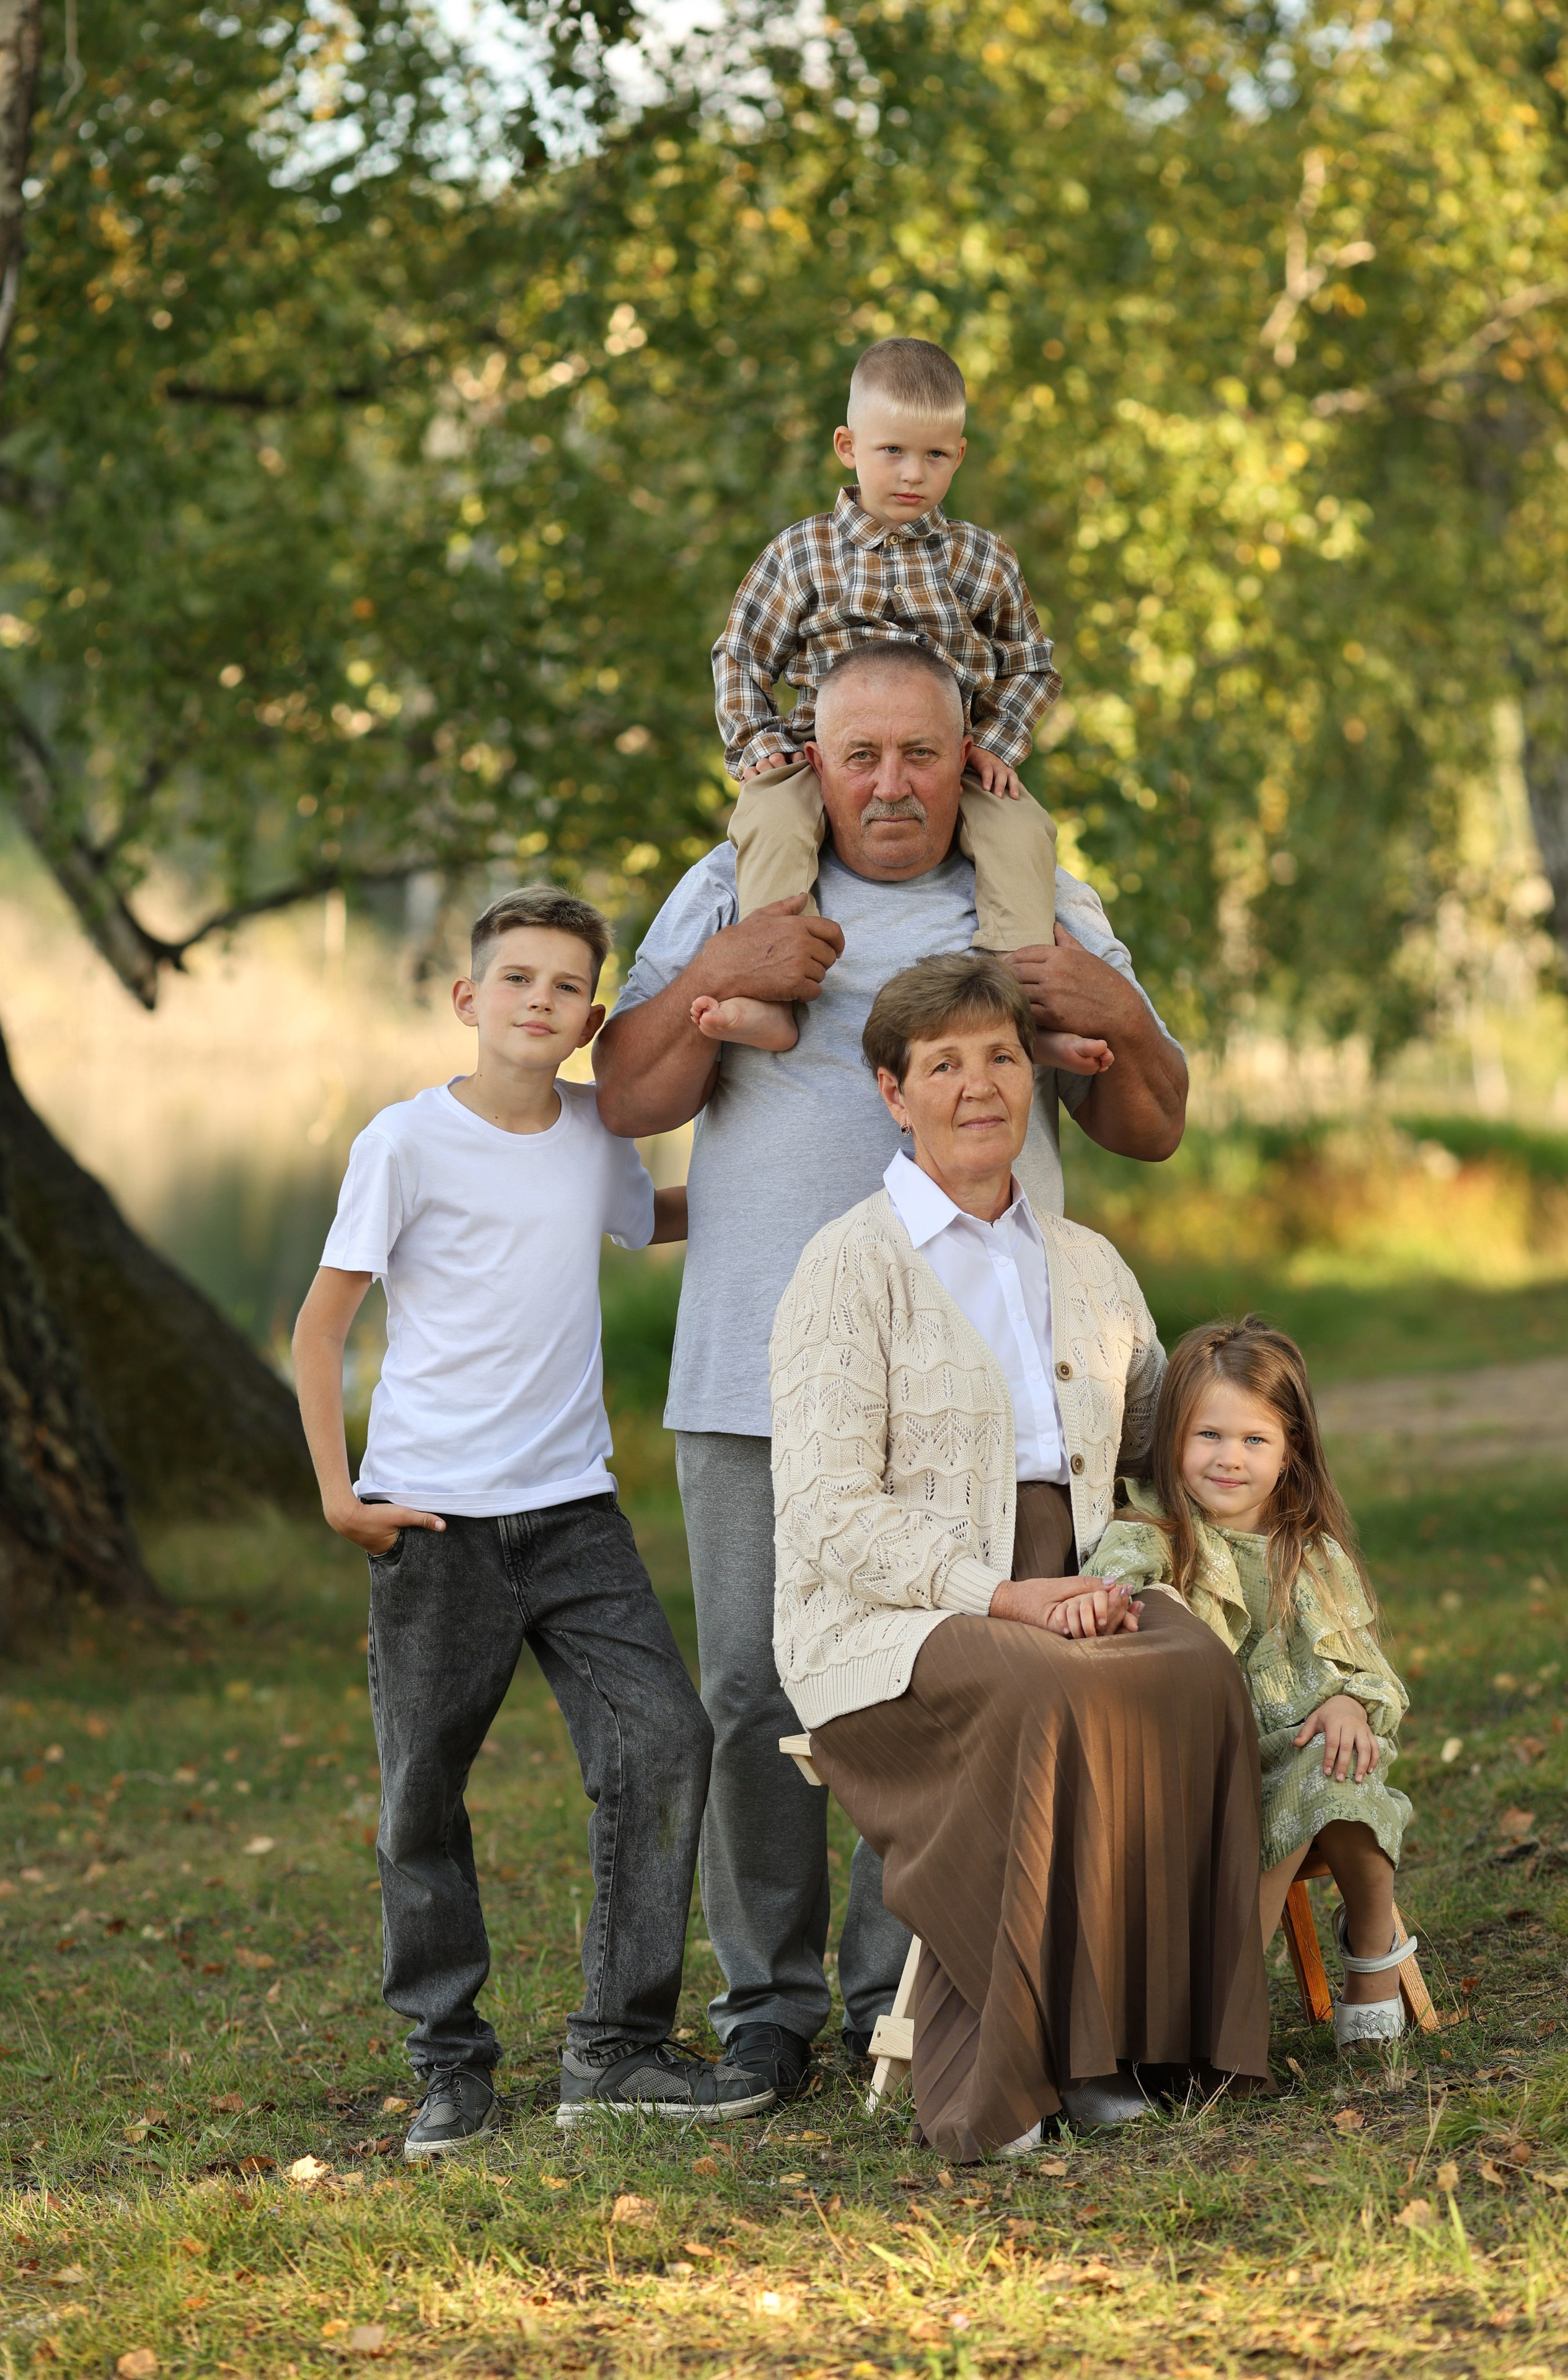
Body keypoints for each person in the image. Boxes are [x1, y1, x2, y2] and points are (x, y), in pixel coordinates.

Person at [594, 645, 1190, 2105]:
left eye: (918, 754)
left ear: (966, 751)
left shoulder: (1030, 902)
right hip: (752, 1355)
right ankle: (767, 2000)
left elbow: (1153, 1118)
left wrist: (1105, 1000)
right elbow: (618, 1093)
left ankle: (910, 1985)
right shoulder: (738, 881)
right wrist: (714, 979)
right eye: (855, 755)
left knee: (947, 1676)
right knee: (752, 1683)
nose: (886, 784)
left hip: (981, 1380)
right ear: (808, 759)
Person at [291, 885, 773, 2159]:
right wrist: (341, 1494)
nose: (537, 1002)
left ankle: (615, 2048)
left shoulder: (592, 1130)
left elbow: (652, 1216)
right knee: (421, 1799)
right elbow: (322, 1324)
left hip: (574, 1516)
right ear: (467, 998)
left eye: (564, 988)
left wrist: (775, 1196)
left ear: (591, 1019)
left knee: (665, 1743)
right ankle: (448, 2063)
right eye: (515, 979)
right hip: (435, 1519)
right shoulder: (402, 1144)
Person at [770, 953, 1271, 2157]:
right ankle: (1037, 2056)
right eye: (942, 1064)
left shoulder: (1086, 1263)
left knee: (1193, 1672)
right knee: (1041, 1690)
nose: (977, 1085)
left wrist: (1245, 1405)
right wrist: (1002, 1595)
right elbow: (827, 1511)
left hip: (1076, 1578)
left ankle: (1145, 2039)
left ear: (1030, 1077)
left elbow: (1150, 1428)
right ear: (892, 1092)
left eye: (998, 1056)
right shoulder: (848, 1267)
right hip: (893, 1617)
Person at [706, 333, 1102, 1070]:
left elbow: (1032, 665)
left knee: (1022, 834)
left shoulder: (979, 560)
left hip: (947, 764)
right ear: (848, 446)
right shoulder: (803, 553)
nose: (913, 474)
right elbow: (740, 655)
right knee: (769, 817)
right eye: (892, 452)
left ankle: (1023, 1012)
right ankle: (769, 997)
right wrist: (759, 744)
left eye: (935, 456)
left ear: (960, 453)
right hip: (824, 757)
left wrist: (995, 746)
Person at [1083, 1318, 1416, 2047]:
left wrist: (1345, 1703)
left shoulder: (1311, 1553)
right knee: (1308, 1782)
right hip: (1202, 1767)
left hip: (1304, 1747)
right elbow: (1111, 1600)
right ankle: (1229, 1999)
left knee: (1336, 1770)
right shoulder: (1152, 1535)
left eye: (1254, 1440)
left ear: (1291, 1451)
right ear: (1172, 1438)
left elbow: (1367, 1674)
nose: (1228, 1459)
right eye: (1208, 1436)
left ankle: (1370, 1955)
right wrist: (1118, 1601)